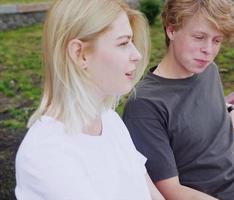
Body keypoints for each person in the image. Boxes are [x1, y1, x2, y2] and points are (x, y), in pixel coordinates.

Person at [123, 0, 234, 199]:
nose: (208, 50)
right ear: (171, 30)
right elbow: (169, 191)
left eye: (217, 40)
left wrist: (231, 109)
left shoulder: (207, 70)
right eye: (199, 37)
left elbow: (194, 106)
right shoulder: (145, 106)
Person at [15, 0, 164, 199]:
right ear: (80, 54)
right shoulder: (46, 155)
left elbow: (150, 193)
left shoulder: (110, 120)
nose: (136, 55)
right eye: (123, 43)